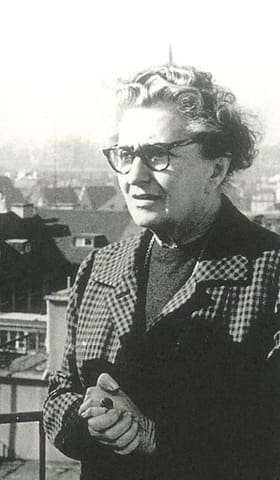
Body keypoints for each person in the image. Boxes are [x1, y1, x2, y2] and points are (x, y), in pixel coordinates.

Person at [43, 64, 280, 479]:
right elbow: (60, 390)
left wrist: (156, 438)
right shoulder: (101, 267)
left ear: (216, 169)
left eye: (158, 154)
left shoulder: (270, 273)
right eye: (125, 154)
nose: (135, 175)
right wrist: (93, 418)